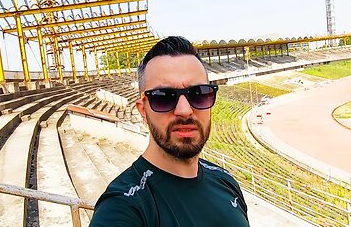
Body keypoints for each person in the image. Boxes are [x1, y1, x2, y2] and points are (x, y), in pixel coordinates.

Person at [90, 36, 249, 226]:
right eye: (163, 97)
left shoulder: (225, 180)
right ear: (143, 110)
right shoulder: (124, 206)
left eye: (199, 94)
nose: (184, 110)